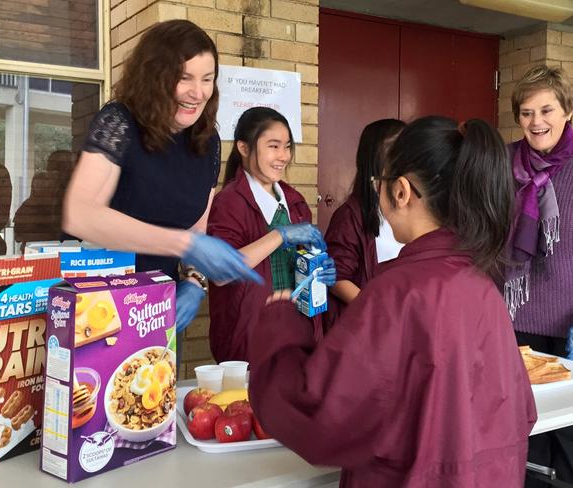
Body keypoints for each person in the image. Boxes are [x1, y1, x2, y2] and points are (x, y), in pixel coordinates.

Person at [247, 116, 536, 487]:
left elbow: (318, 418)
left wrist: (280, 325)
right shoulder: (482, 284)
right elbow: (518, 413)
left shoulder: (397, 291)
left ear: (400, 191)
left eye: (378, 184)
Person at [62, 20, 260, 334]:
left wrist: (195, 282)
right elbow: (80, 214)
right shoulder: (119, 122)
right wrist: (184, 244)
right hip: (98, 305)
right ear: (155, 78)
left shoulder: (207, 142)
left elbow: (198, 227)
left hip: (158, 306)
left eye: (207, 79)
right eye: (184, 78)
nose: (198, 92)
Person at [206, 107, 335, 363]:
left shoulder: (295, 202)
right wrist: (280, 235)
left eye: (287, 146)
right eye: (273, 146)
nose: (283, 156)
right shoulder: (229, 203)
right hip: (249, 341)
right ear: (244, 148)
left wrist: (320, 272)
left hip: (297, 335)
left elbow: (301, 266)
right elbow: (221, 274)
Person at [504, 65, 573, 487]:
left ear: (567, 111)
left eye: (546, 109)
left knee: (566, 434)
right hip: (510, 318)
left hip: (567, 322)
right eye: (526, 112)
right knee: (517, 430)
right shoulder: (504, 161)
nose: (536, 122)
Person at [324, 119, 405, 329]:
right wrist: (380, 312)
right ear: (376, 159)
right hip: (366, 325)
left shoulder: (408, 206)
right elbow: (336, 278)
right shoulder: (350, 216)